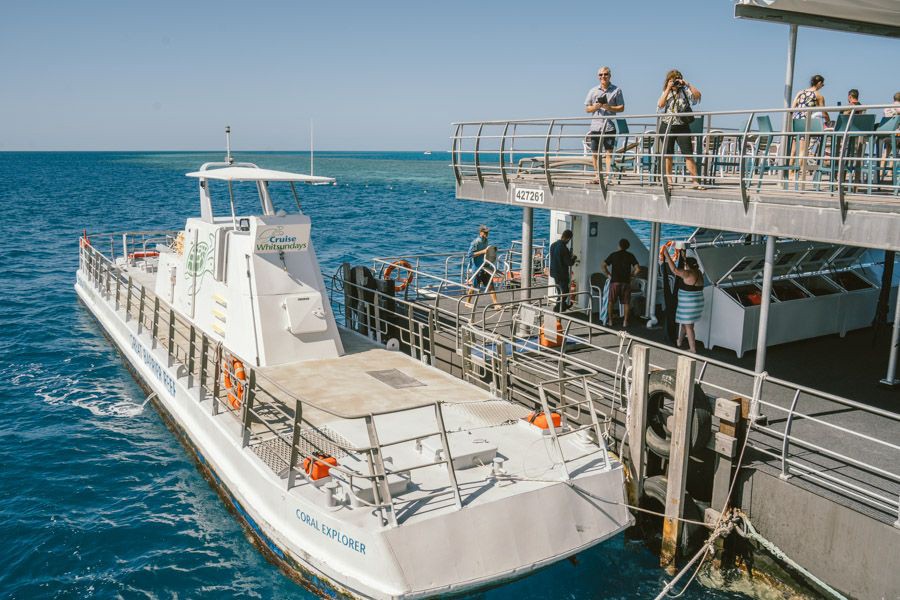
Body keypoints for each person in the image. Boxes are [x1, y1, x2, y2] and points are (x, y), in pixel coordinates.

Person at [657, 69, 705, 190]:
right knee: (668, 154)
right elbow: (660, 105)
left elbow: (698, 96)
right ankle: (669, 180)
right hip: (667, 125)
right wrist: (668, 88)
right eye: (672, 80)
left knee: (688, 154)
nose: (675, 83)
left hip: (682, 125)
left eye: (677, 79)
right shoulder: (666, 92)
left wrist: (687, 84)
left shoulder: (685, 90)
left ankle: (695, 181)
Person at [584, 66, 625, 184]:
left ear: (610, 76)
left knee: (608, 152)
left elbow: (621, 107)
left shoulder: (617, 90)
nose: (603, 76)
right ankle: (597, 176)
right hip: (596, 126)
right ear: (598, 77)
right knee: (595, 152)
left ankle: (608, 177)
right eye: (601, 75)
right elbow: (587, 108)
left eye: (605, 74)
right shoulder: (593, 91)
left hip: (609, 126)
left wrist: (609, 107)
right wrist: (595, 107)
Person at [663, 250, 704, 353]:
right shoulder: (699, 273)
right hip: (697, 303)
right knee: (686, 324)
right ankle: (679, 341)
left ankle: (692, 349)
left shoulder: (688, 273)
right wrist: (683, 256)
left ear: (687, 265)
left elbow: (675, 270)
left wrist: (667, 255)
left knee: (689, 326)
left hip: (689, 304)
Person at [602, 238, 639, 327]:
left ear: (619, 245)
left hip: (615, 282)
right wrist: (631, 275)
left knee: (611, 302)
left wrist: (608, 274)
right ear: (627, 247)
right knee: (626, 303)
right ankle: (625, 322)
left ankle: (610, 321)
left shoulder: (613, 255)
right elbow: (638, 269)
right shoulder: (630, 255)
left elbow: (603, 265)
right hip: (626, 282)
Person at [465, 224, 499, 306]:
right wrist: (482, 252)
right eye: (485, 232)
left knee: (491, 285)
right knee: (474, 286)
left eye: (487, 232)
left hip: (485, 266)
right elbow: (469, 255)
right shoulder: (475, 242)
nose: (487, 234)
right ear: (480, 232)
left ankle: (496, 304)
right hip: (477, 267)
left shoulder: (486, 241)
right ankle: (467, 302)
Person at [549, 230, 577, 312]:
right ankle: (558, 308)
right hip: (562, 273)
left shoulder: (553, 245)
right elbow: (569, 262)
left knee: (560, 291)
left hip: (554, 272)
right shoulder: (564, 248)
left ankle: (562, 306)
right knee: (564, 292)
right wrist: (574, 257)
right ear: (568, 238)